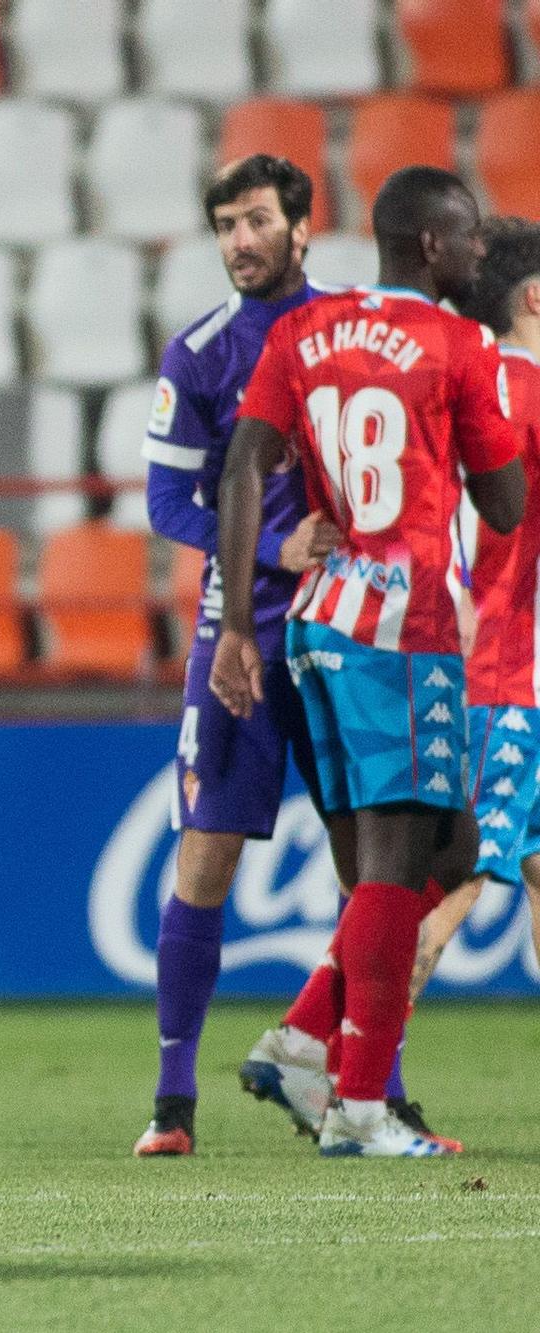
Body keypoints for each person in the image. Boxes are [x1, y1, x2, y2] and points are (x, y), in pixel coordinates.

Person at [212, 166, 525, 1158]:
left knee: (435, 850)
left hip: (313, 620)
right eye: (468, 237)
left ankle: (304, 1041)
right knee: (402, 863)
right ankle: (358, 1107)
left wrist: (231, 627)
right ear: (430, 246)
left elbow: (240, 470)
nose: (478, 255)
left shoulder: (301, 333)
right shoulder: (457, 344)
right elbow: (505, 506)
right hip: (404, 628)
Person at [132, 156, 342, 1157]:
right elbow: (166, 500)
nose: (239, 241)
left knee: (371, 867)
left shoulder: (352, 337)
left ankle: (359, 1084)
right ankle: (172, 1100)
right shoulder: (201, 351)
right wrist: (266, 545)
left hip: (355, 627)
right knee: (206, 852)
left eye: (256, 220)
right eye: (225, 224)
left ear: (303, 226)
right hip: (239, 638)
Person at [411, 220, 540, 1010]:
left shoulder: (455, 378)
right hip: (506, 669)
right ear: (535, 297)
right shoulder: (529, 389)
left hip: (472, 656)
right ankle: (340, 1070)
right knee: (451, 886)